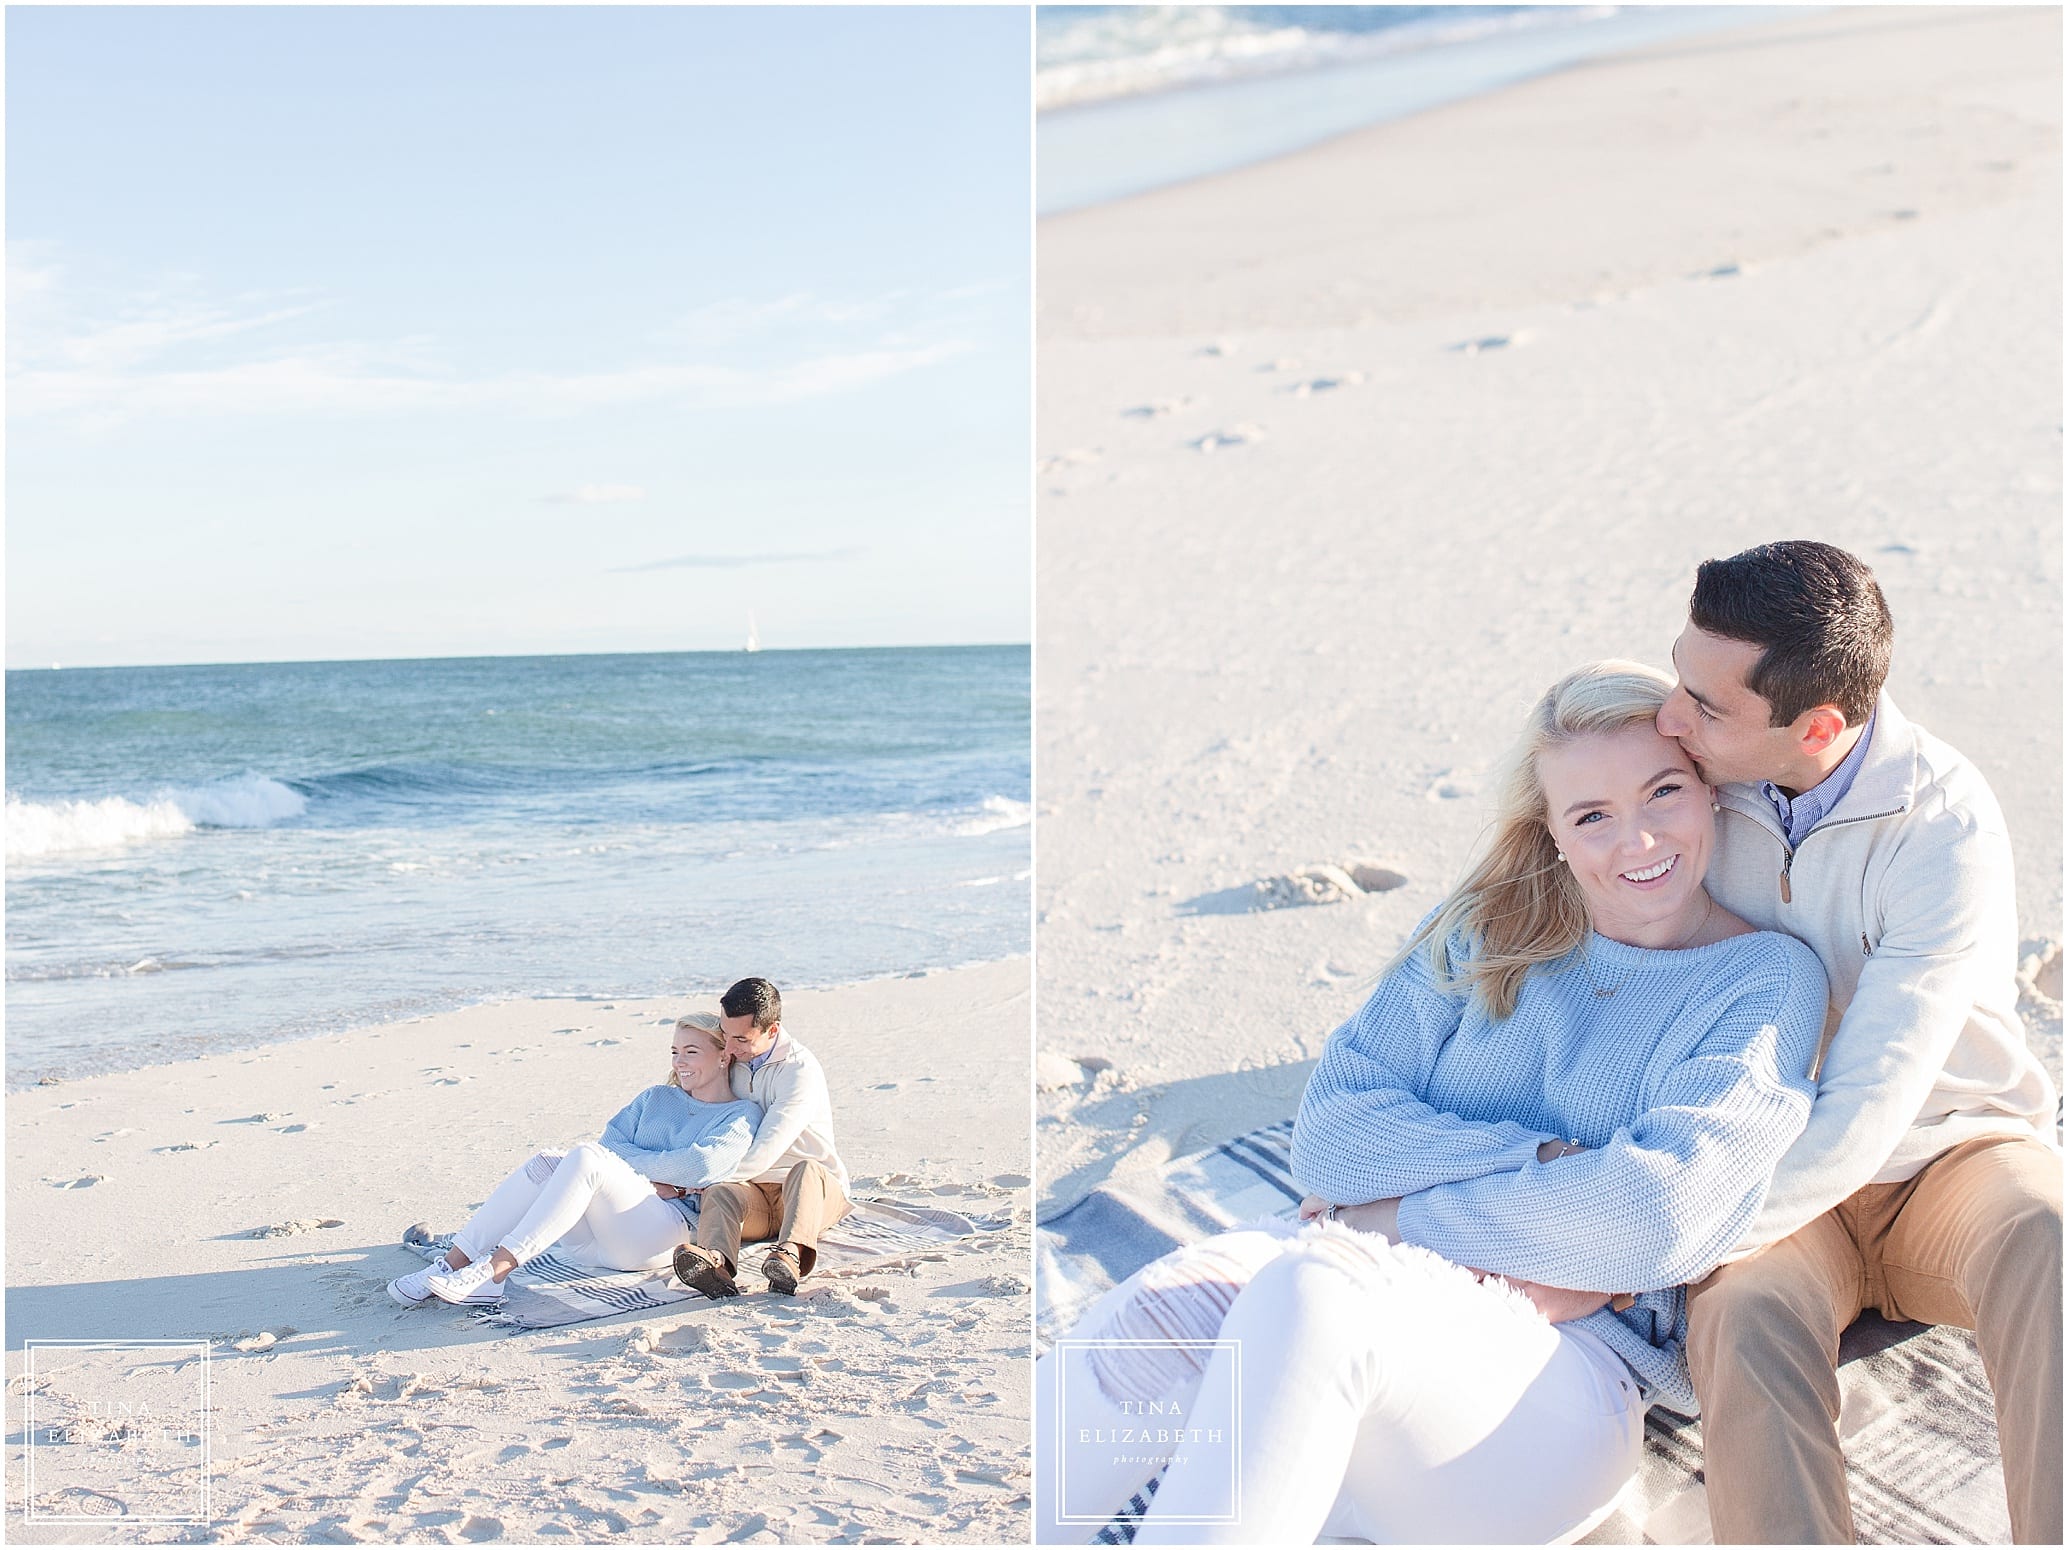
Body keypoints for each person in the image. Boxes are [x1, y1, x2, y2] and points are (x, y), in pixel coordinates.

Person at [1035, 662, 1830, 1545]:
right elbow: (1332, 1134)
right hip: (1355, 1309)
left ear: (1711, 792)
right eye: (1593, 815)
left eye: (1664, 793)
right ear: (1554, 832)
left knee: (1312, 1285)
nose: (1638, 840)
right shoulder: (1488, 928)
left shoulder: (1764, 979)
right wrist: (1553, 1171)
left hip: (1548, 1381)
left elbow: (1653, 1214)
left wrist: (1391, 1218)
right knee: (1167, 1304)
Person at [1648, 540, 2062, 1545]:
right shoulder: (1692, 775)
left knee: (2050, 1240)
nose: (1670, 718)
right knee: (1740, 1319)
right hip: (1767, 1152)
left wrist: (1683, 1237)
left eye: (1705, 707)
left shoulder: (1942, 828)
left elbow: (1876, 1093)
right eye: (1677, 677)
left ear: (1819, 727)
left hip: (1946, 1156)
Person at [388, 1012, 761, 1307]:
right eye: (675, 1052)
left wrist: (655, 1175)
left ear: (724, 1055)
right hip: (589, 1243)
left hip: (660, 1236)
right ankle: (453, 1263)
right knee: (550, 1160)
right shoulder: (654, 1098)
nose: (680, 1062)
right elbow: (609, 1145)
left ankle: (494, 1271)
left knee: (583, 1157)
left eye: (691, 1052)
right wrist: (660, 1181)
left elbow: (702, 1166)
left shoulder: (740, 1114)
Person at [672, 977, 851, 1298]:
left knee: (806, 1170)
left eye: (740, 1039)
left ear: (771, 1031)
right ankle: (716, 1265)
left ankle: (789, 1257)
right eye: (725, 1035)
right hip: (755, 1196)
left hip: (809, 1196)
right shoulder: (733, 1060)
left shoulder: (799, 1071)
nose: (729, 1047)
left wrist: (698, 1181)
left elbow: (768, 1147)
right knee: (722, 1191)